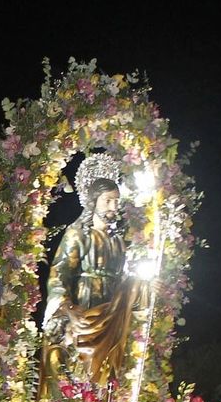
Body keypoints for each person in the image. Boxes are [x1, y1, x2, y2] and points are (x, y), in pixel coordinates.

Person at [41, 156, 144, 390]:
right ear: (93, 201)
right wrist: (67, 307)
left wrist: (140, 287)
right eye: (108, 201)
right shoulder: (79, 234)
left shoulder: (118, 241)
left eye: (116, 201)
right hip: (84, 310)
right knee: (77, 370)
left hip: (111, 314)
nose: (113, 207)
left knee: (106, 376)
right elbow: (59, 275)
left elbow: (124, 281)